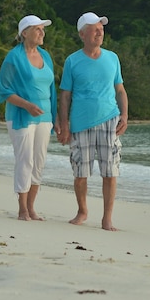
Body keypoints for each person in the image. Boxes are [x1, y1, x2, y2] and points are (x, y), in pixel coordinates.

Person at [57, 12, 128, 231]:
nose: (100, 32)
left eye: (101, 29)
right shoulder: (72, 61)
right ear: (82, 34)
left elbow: (120, 90)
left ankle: (107, 218)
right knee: (80, 173)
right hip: (81, 123)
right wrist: (64, 124)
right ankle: (82, 211)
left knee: (110, 172)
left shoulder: (112, 58)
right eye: (95, 29)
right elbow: (65, 95)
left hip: (110, 121)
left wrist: (124, 115)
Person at [0, 15, 58, 221]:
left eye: (43, 29)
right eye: (38, 29)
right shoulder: (13, 58)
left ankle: (32, 207)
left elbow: (52, 90)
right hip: (21, 116)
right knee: (25, 161)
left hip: (45, 117)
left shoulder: (46, 56)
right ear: (25, 33)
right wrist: (27, 105)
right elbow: (4, 90)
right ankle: (22, 209)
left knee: (39, 162)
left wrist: (56, 117)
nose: (42, 33)